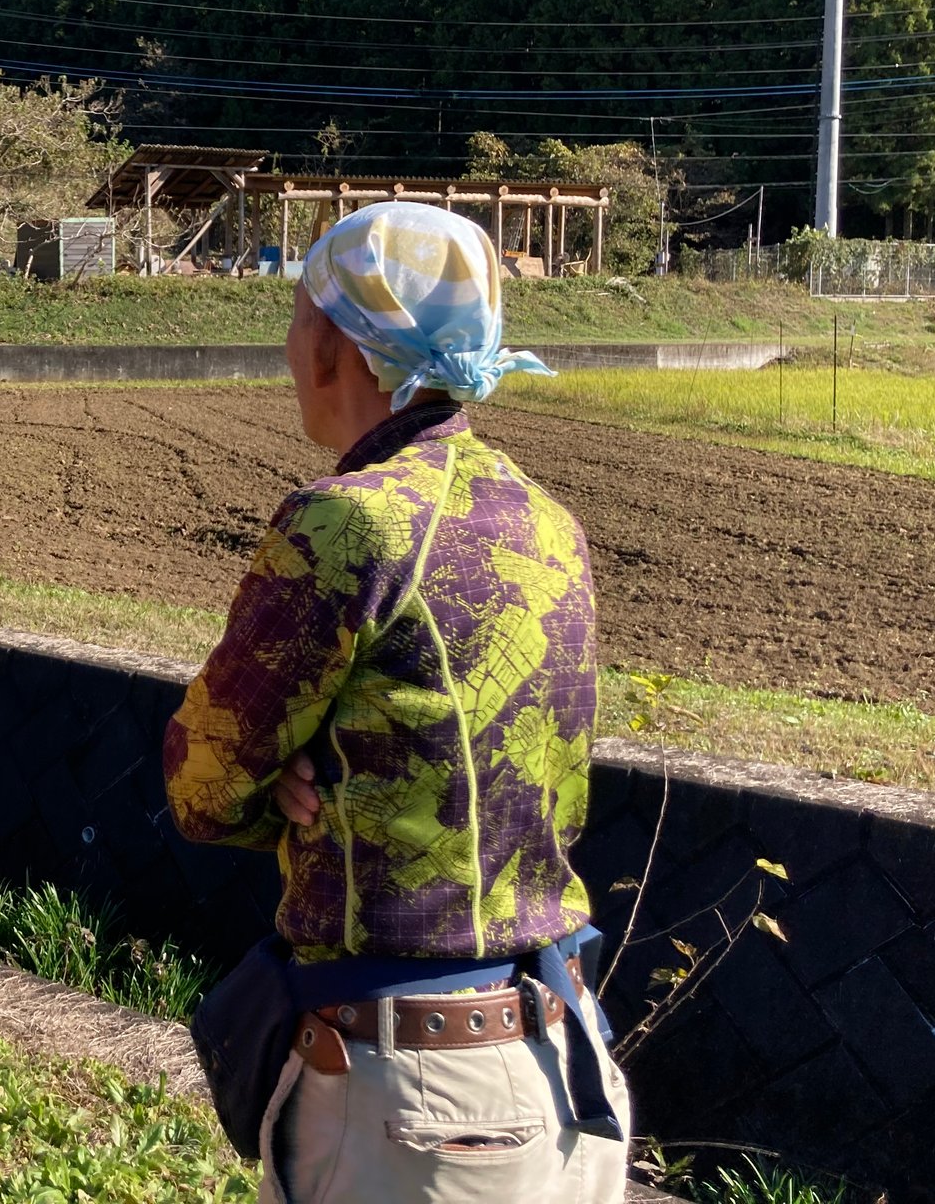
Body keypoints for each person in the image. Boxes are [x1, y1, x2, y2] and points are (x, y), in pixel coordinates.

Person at [164, 201, 631, 1204]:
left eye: (297, 317)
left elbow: (204, 783)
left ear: (335, 346)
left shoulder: (346, 525)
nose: (288, 347)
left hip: (411, 1103)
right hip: (561, 1065)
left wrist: (281, 784)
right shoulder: (549, 525)